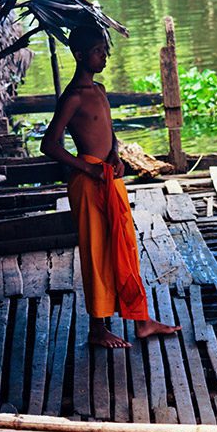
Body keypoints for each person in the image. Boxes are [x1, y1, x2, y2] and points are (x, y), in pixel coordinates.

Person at [41, 25, 180, 349]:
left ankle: (142, 320)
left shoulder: (100, 90)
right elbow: (50, 144)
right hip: (88, 183)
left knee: (124, 247)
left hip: (109, 177)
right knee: (96, 252)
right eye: (98, 51)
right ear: (79, 55)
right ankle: (97, 328)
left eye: (105, 50)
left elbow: (110, 131)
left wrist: (115, 156)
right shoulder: (73, 98)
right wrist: (86, 166)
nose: (104, 56)